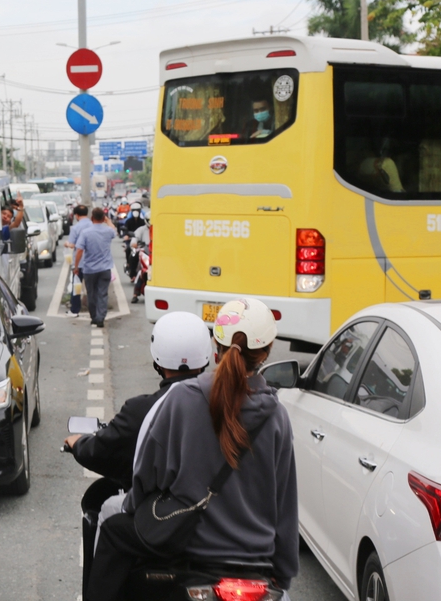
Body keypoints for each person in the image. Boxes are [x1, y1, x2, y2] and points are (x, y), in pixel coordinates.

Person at [87, 298, 299, 601]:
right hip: (255, 562)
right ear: (267, 351)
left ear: (216, 347)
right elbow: (285, 505)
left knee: (112, 531)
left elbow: (146, 476)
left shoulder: (183, 399)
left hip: (183, 547)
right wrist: (284, 572)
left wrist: (135, 510)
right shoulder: (277, 416)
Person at [64, 312, 211, 489]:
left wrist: (78, 444)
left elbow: (102, 451)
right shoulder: (230, 404)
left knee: (104, 505)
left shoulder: (141, 410)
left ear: (157, 358)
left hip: (163, 510)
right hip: (221, 508)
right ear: (206, 355)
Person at [74, 208, 117, 328]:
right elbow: (114, 229)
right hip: (105, 269)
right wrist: (108, 221)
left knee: (91, 294)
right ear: (103, 218)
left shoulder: (86, 233)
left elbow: (79, 251)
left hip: (89, 269)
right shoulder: (108, 231)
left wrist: (76, 266)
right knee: (102, 294)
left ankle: (94, 317)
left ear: (92, 218)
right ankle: (100, 317)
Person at [65, 205, 91, 318]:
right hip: (92, 262)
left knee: (77, 286)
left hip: (79, 262)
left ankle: (75, 310)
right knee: (93, 288)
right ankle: (95, 311)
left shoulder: (76, 228)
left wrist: (66, 244)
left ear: (76, 215)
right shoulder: (92, 225)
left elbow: (72, 245)